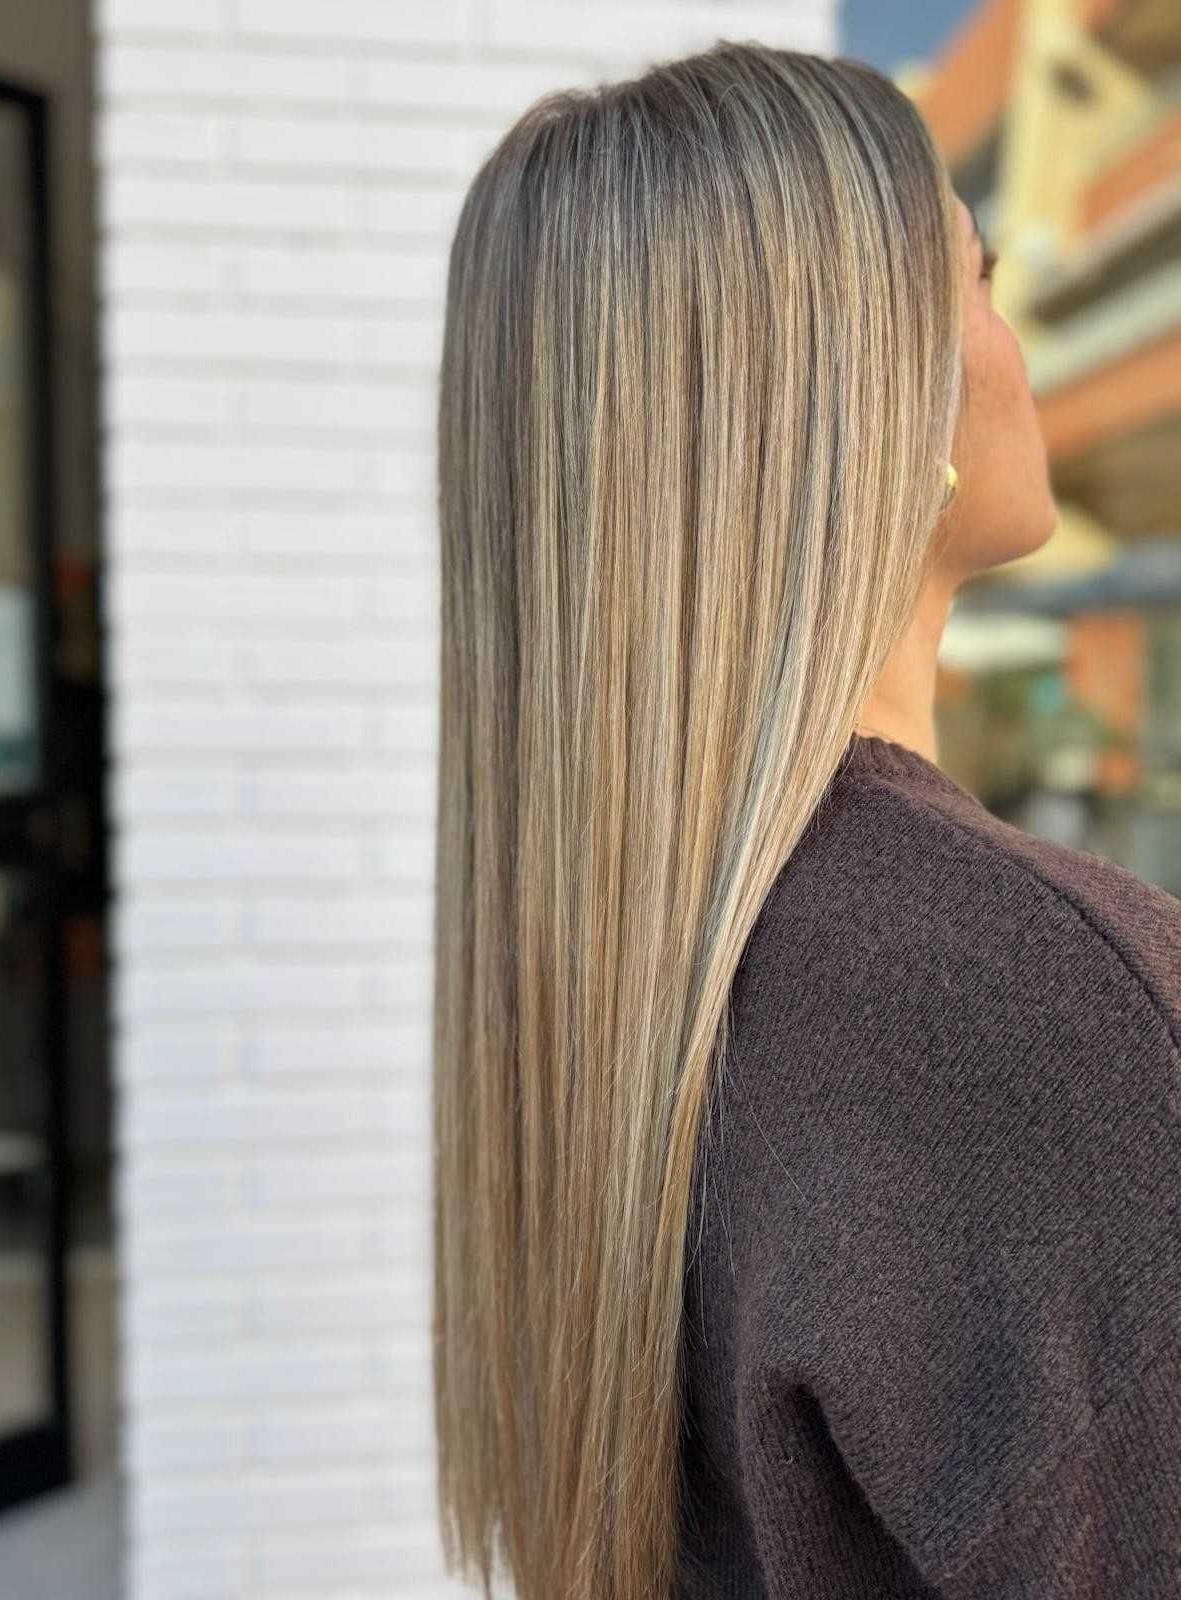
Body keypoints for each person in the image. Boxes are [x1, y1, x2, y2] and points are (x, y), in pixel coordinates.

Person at [430, 38, 1181, 1600]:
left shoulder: (611, 967)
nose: (1014, 340)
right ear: (879, 387)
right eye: (977, 279)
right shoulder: (1029, 999)